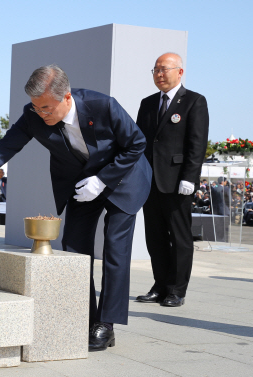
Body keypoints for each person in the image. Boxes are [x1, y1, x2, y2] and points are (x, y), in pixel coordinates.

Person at [0, 64, 151, 352]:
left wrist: (103, 180)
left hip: (124, 178)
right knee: (75, 248)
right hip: (82, 183)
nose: (40, 114)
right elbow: (5, 147)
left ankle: (106, 324)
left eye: (46, 108)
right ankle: (85, 318)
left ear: (66, 97)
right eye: (35, 107)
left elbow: (137, 143)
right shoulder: (34, 115)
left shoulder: (103, 106)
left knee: (115, 250)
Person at [135, 53, 209, 308]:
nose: (159, 74)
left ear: (179, 72)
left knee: (179, 237)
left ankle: (177, 289)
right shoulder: (147, 103)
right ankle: (160, 285)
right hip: (150, 181)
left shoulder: (194, 102)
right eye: (155, 70)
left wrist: (190, 177)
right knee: (154, 236)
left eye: (164, 69)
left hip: (177, 182)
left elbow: (196, 144)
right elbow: (140, 142)